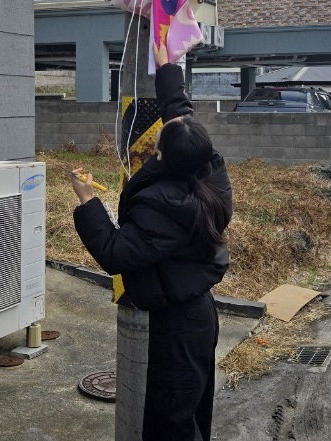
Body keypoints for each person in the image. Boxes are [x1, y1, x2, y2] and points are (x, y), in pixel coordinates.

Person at [70, 43, 233, 441]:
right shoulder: (209, 172)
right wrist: (166, 66)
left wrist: (87, 200)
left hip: (178, 326)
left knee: (171, 422)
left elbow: (113, 252)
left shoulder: (164, 208)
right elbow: (181, 116)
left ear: (162, 157)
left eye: (158, 142)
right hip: (196, 312)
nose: (156, 138)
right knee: (191, 411)